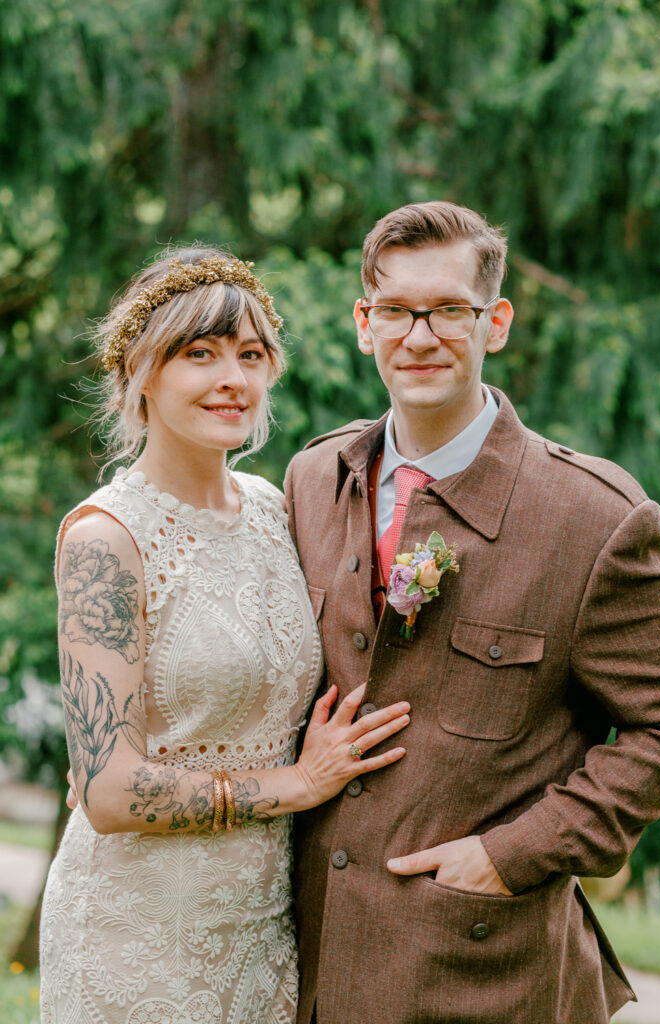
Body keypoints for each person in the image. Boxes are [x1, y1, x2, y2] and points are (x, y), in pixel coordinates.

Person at [285, 201, 660, 1024]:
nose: (418, 335)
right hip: (312, 968)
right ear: (364, 324)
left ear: (494, 322)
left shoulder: (594, 519)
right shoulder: (310, 480)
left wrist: (511, 855)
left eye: (447, 312)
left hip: (485, 976)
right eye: (394, 310)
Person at [39, 247, 411, 1024]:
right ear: (140, 372)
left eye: (249, 355)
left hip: (265, 926)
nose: (231, 378)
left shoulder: (276, 511)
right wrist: (296, 787)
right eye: (199, 354)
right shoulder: (106, 539)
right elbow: (107, 792)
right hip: (137, 927)